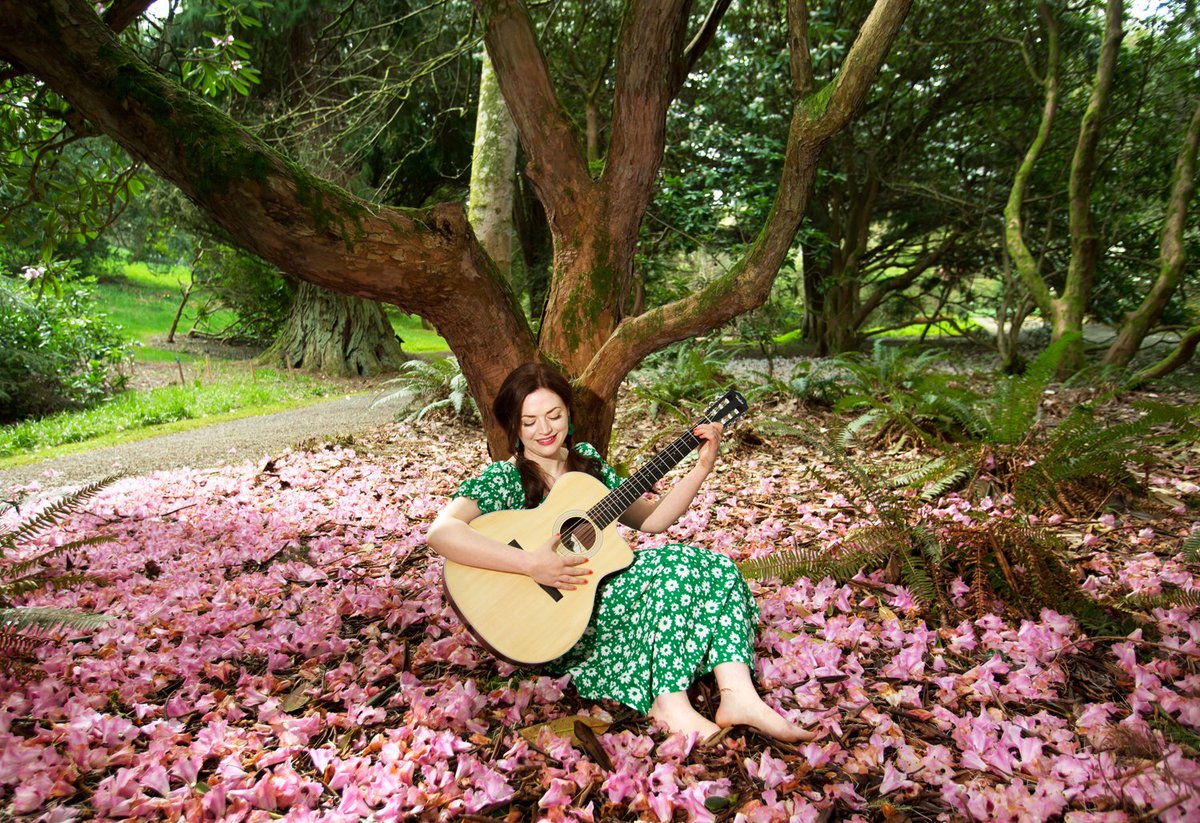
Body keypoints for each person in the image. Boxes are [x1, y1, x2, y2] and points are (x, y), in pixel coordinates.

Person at [427, 363, 812, 742]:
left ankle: (739, 696)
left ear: (569, 414)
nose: (544, 430)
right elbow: (441, 533)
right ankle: (668, 702)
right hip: (556, 621)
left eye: (554, 415)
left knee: (716, 565)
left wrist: (701, 469)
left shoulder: (587, 465)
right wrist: (530, 563)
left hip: (598, 589)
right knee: (673, 571)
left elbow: (653, 520)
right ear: (513, 425)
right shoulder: (503, 479)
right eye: (529, 421)